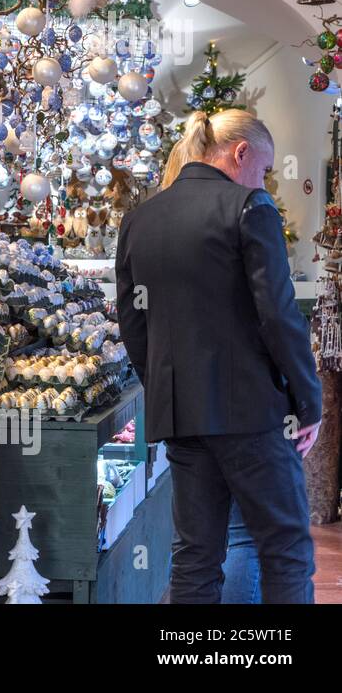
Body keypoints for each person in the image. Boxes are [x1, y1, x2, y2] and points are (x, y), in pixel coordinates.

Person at [116, 109, 322, 604]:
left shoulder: (139, 220)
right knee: (286, 548)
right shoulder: (249, 207)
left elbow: (134, 325)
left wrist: (166, 387)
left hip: (181, 417)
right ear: (241, 153)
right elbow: (278, 315)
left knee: (195, 557)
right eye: (266, 169)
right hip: (251, 414)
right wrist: (308, 401)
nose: (265, 181)